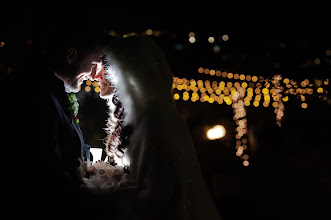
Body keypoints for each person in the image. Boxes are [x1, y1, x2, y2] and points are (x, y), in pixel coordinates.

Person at [82, 36, 223, 220]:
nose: (97, 75)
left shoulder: (154, 121)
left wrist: (98, 189)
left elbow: (154, 203)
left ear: (128, 74)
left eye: (107, 67)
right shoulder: (144, 118)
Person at [2, 18, 106, 218]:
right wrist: (98, 204)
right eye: (94, 65)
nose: (95, 75)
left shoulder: (55, 91)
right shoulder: (33, 95)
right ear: (70, 56)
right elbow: (46, 175)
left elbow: (75, 149)